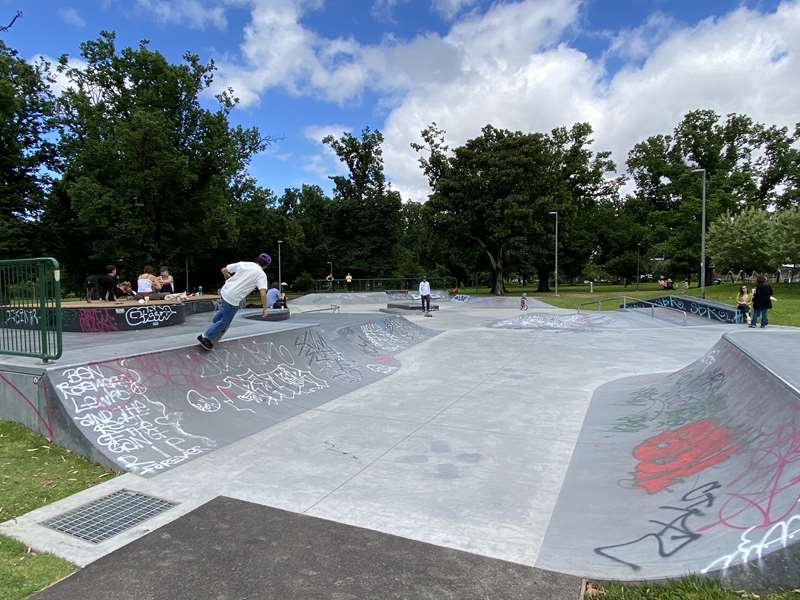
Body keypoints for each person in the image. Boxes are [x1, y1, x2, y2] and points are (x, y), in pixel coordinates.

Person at [197, 253, 271, 350]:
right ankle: (205, 336)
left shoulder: (244, 264)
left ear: (257, 260)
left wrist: (228, 278)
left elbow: (224, 270)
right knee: (225, 323)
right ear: (266, 265)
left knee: (222, 314)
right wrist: (265, 309)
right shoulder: (261, 275)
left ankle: (216, 323)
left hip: (224, 292)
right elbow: (263, 294)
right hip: (233, 299)